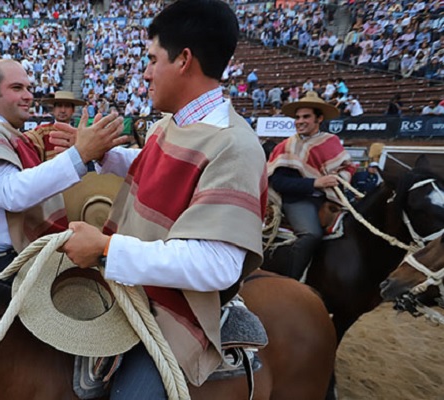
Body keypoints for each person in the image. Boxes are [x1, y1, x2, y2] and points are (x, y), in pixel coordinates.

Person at [58, 0, 267, 396]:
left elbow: (219, 265)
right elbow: (160, 168)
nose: (147, 71)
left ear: (184, 59)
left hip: (170, 312)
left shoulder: (235, 146)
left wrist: (106, 248)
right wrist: (101, 154)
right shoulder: (170, 124)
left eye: (153, 59)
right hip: (132, 285)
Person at [0, 59, 126, 276]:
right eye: (17, 88)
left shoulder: (4, 131)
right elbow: (12, 194)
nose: (28, 96)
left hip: (19, 252)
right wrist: (80, 155)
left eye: (28, 88)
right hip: (7, 260)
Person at [267, 92, 355, 280]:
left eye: (306, 116)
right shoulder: (286, 146)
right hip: (297, 200)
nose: (300, 121)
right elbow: (279, 182)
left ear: (319, 118)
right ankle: (290, 281)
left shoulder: (331, 142)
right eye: (298, 117)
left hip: (328, 198)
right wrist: (316, 183)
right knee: (311, 235)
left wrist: (338, 178)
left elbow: (347, 167)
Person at [25, 91, 86, 161]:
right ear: (53, 109)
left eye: (67, 106)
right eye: (59, 106)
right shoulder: (41, 132)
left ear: (73, 110)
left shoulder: (78, 135)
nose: (63, 110)